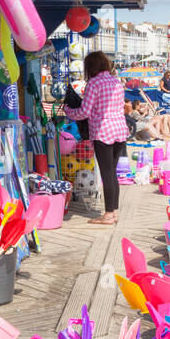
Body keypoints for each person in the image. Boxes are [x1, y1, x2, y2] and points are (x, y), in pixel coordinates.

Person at [62, 51, 127, 225]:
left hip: (103, 132)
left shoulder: (94, 83)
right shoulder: (116, 82)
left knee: (107, 174)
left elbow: (84, 111)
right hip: (120, 130)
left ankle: (107, 214)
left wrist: (68, 111)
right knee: (112, 173)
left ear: (91, 67)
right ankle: (114, 212)